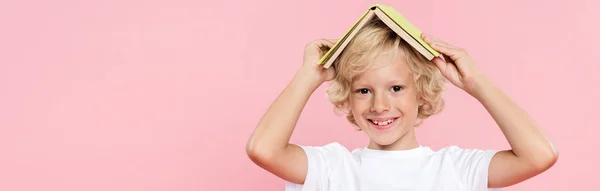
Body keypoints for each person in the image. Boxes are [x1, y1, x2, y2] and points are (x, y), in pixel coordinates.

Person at [246, 18, 558, 191]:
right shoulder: (331, 168)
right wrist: (308, 76)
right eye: (364, 90)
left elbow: (539, 156)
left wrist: (476, 82)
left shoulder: (455, 170)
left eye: (396, 88)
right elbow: (263, 149)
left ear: (421, 92)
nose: (380, 105)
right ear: (348, 99)